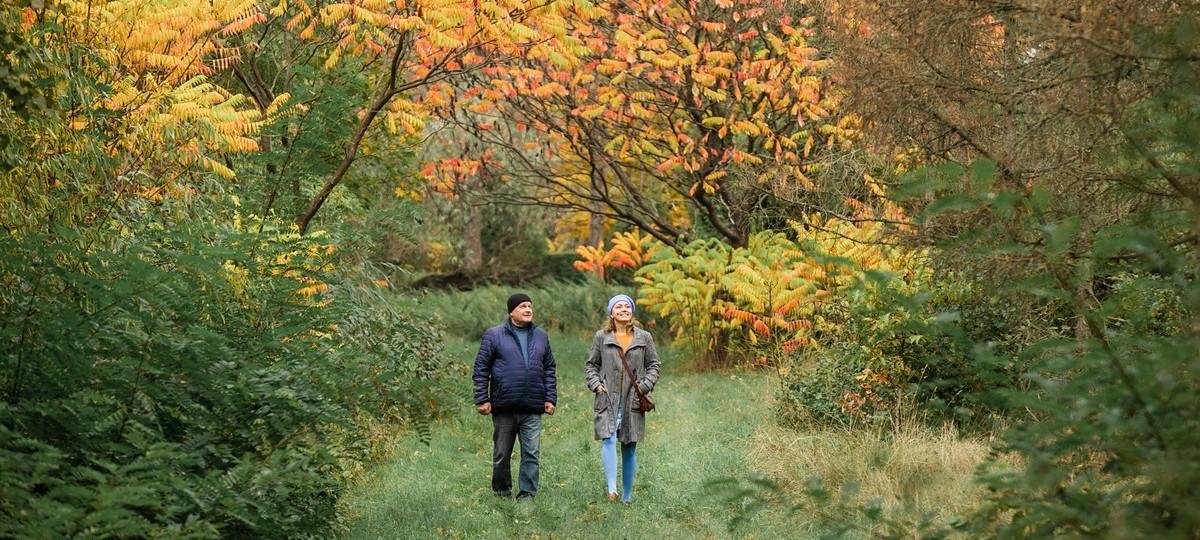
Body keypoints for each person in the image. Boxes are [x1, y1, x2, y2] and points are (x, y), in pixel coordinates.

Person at [472, 293, 558, 501]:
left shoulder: (541, 335)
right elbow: (481, 368)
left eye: (530, 306)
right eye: (522, 306)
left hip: (532, 406)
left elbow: (549, 368)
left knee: (531, 454)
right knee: (502, 454)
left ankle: (527, 495)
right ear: (511, 312)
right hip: (504, 406)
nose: (528, 310)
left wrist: (550, 398)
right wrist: (482, 399)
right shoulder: (494, 335)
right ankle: (502, 493)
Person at [584, 294, 661, 503]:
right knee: (608, 439)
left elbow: (654, 365)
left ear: (632, 312)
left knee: (629, 445)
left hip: (633, 398)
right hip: (608, 397)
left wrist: (644, 386)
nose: (623, 309)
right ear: (612, 313)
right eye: (618, 306)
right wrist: (596, 385)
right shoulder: (602, 337)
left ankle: (627, 496)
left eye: (627, 306)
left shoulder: (644, 337)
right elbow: (591, 365)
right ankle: (612, 490)